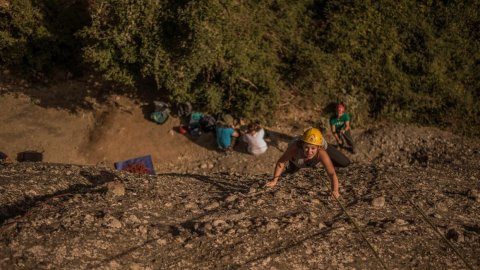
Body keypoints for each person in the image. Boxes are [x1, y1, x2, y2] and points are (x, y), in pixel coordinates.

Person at [265, 128, 350, 199]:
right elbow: (281, 162)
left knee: (345, 163)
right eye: (306, 148)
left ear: (318, 148)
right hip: (298, 158)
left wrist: (335, 190)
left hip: (319, 144)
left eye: (313, 148)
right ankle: (292, 167)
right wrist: (274, 180)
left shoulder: (321, 151)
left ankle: (322, 159)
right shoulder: (294, 149)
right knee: (292, 169)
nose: (309, 151)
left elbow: (331, 174)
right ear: (302, 145)